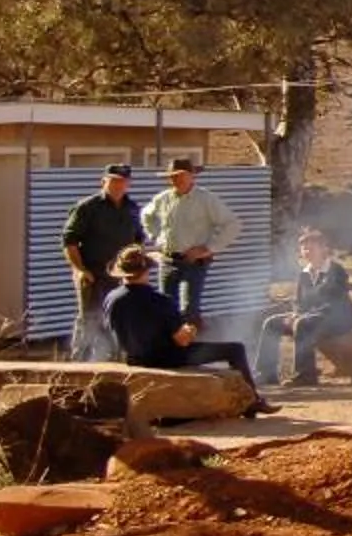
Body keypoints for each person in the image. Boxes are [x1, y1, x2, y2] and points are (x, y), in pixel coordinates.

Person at [102, 247, 259, 394]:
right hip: (164, 359)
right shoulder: (160, 301)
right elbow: (182, 340)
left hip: (131, 358)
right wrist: (191, 330)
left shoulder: (111, 299)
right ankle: (253, 400)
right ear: (146, 272)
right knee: (235, 350)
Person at [140, 156, 240, 327]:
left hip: (194, 262)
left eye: (179, 175)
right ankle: (171, 347)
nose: (175, 179)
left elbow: (232, 224)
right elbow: (146, 215)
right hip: (168, 260)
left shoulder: (205, 199)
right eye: (172, 176)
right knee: (167, 307)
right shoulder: (162, 198)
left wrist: (208, 248)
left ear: (191, 176)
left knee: (189, 310)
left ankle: (193, 347)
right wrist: (156, 236)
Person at [259, 227, 352, 387]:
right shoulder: (304, 274)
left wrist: (302, 317)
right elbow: (300, 301)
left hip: (338, 318)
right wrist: (295, 314)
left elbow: (333, 302)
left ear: (323, 249)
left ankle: (305, 375)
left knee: (303, 324)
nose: (307, 251)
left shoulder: (335, 271)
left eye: (311, 247)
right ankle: (267, 373)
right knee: (271, 323)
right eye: (304, 248)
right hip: (312, 317)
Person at [60, 163, 140, 360]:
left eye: (122, 182)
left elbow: (138, 240)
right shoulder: (87, 207)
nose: (118, 185)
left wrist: (136, 271)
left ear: (128, 183)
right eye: (113, 181)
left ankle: (112, 361)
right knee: (89, 319)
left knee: (117, 318)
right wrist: (80, 269)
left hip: (121, 276)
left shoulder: (132, 208)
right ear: (103, 181)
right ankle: (80, 364)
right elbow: (69, 241)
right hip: (93, 274)